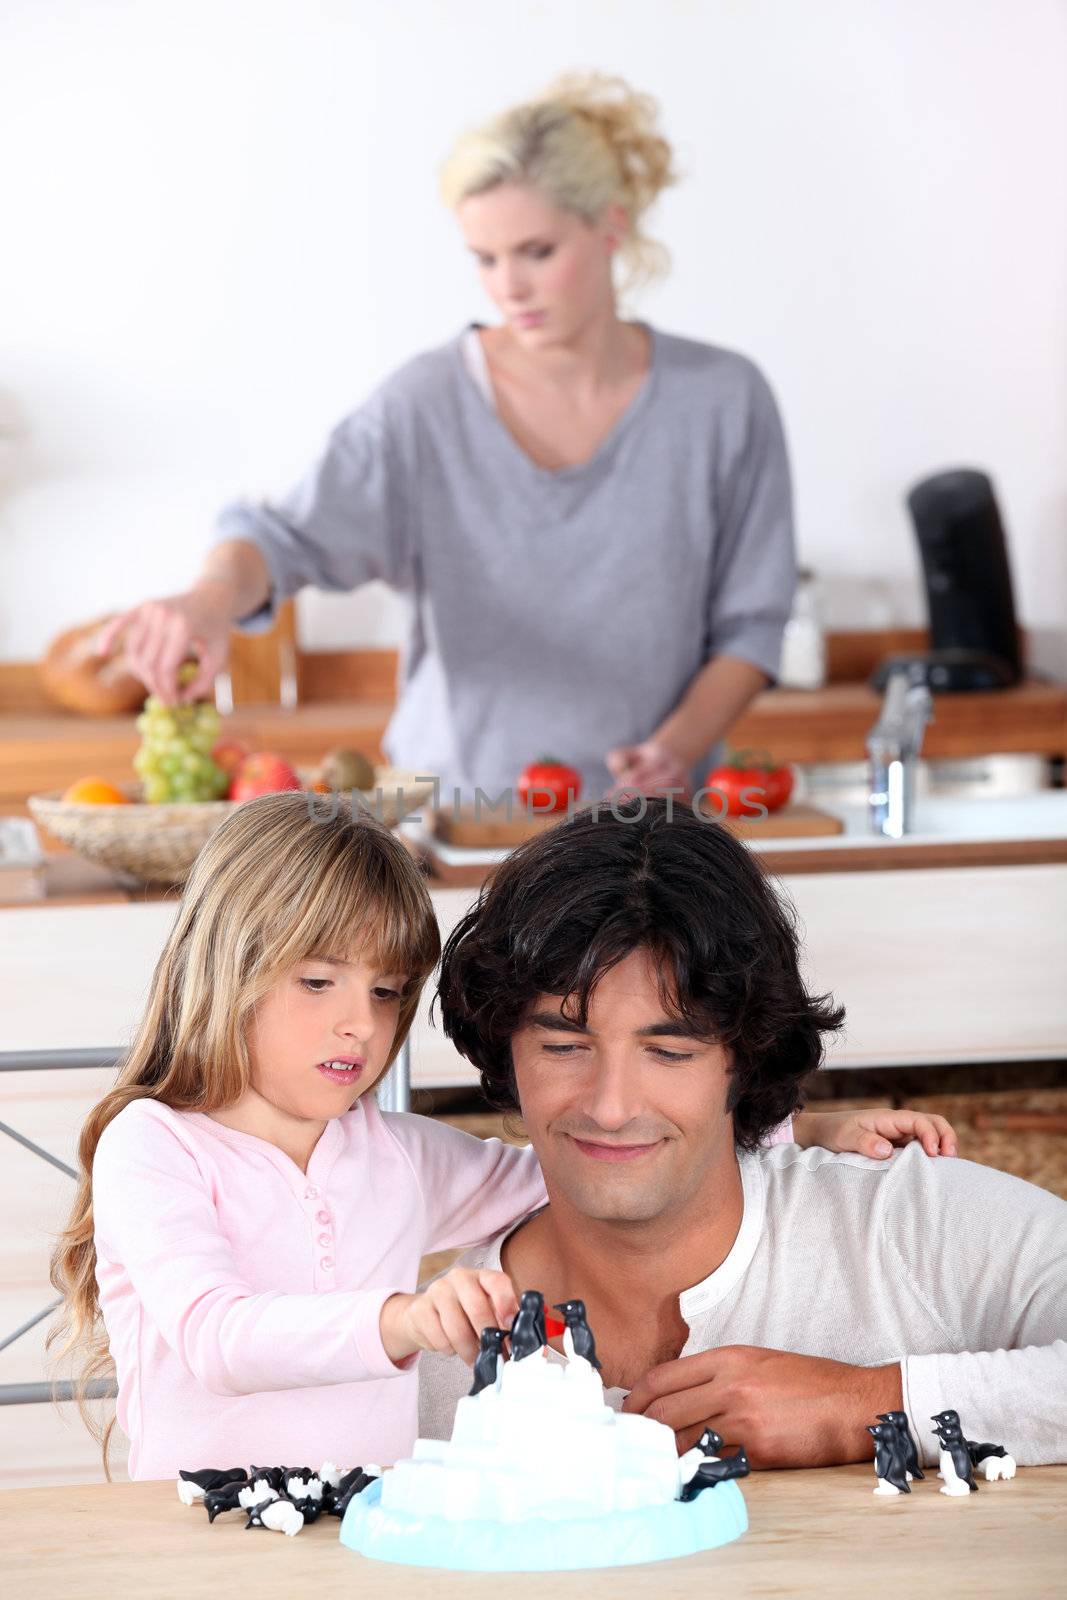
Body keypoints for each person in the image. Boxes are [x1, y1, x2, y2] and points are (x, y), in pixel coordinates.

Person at [94, 72, 797, 803]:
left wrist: (670, 753)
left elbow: (751, 627)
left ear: (610, 227)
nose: (507, 287)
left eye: (536, 251)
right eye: (484, 258)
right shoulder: (422, 406)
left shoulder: (723, 401)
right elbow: (281, 538)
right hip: (457, 815)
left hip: (652, 828)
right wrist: (209, 597)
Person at [420, 798, 1067, 1467]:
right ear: (505, 1053)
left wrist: (869, 1403)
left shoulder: (906, 1225)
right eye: (563, 1047)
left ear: (743, 1061)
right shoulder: (427, 1353)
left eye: (669, 1053)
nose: (610, 1107)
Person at [48, 792, 548, 1480]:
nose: (363, 1025)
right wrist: (403, 1320)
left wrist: (739, 1120)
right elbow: (218, 1340)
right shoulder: (153, 1146)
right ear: (228, 968)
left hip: (365, 1546)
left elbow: (574, 1173)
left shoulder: (398, 1154)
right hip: (200, 1554)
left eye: (386, 991)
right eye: (317, 980)